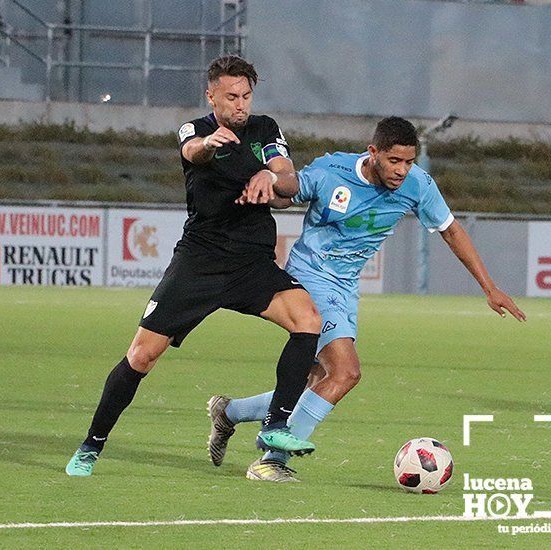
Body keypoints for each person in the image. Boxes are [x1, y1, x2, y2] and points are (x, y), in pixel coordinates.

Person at [206, 116, 526, 482]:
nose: (402, 171)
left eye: (409, 162)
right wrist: (268, 181)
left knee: (315, 382)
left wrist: (489, 287)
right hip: (311, 276)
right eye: (394, 161)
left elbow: (451, 230)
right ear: (373, 153)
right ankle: (272, 460)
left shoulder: (417, 185)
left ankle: (228, 412)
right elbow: (289, 189)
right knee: (345, 372)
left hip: (345, 287)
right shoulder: (333, 171)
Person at [65, 55, 323, 477]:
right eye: (231, 97)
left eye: (246, 96)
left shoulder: (265, 128)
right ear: (211, 96)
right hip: (199, 263)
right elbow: (193, 151)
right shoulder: (197, 130)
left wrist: (271, 180)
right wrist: (211, 144)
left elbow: (286, 176)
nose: (240, 105)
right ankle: (92, 444)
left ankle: (276, 425)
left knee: (308, 319)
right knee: (142, 355)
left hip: (251, 263)